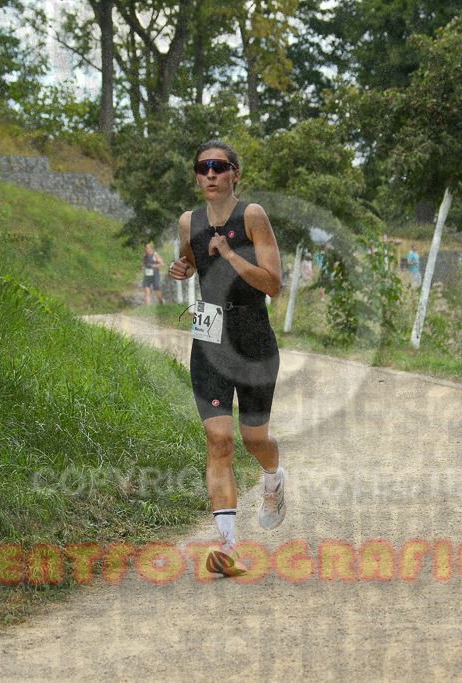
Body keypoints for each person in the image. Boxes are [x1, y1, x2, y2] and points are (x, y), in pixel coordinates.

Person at [169, 140, 286, 577]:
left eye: (219, 166)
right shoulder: (189, 222)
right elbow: (192, 261)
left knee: (254, 440)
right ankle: (227, 548)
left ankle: (273, 477)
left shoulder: (252, 216)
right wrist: (183, 268)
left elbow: (273, 283)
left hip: (253, 335)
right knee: (219, 441)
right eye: (203, 168)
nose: (210, 174)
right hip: (210, 335)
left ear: (235, 173)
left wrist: (232, 253)